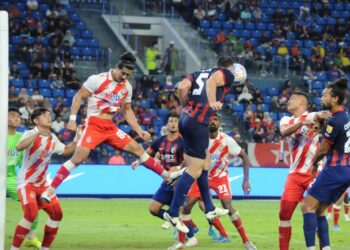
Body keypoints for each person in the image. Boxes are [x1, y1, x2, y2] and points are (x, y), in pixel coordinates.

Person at [41, 52, 183, 202]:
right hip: (93, 125)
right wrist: (72, 119)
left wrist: (139, 130)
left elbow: (127, 110)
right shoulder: (97, 80)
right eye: (123, 73)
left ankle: (168, 177)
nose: (124, 77)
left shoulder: (126, 87)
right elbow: (78, 97)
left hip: (110, 127)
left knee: (138, 150)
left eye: (128, 75)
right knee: (78, 158)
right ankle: (50, 191)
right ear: (116, 67)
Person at [164, 56, 244, 233]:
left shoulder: (199, 72)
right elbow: (212, 83)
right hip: (199, 123)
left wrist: (186, 106)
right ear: (229, 67)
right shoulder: (226, 74)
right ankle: (172, 212)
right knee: (194, 170)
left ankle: (209, 207)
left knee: (205, 163)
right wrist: (212, 100)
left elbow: (182, 87)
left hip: (186, 119)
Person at [180, 114, 256, 249]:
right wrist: (180, 172)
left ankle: (246, 241)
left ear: (220, 123)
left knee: (227, 205)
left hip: (220, 177)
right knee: (187, 206)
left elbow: (244, 157)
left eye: (215, 119)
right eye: (210, 119)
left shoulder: (227, 140)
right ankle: (186, 240)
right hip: (202, 177)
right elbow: (189, 158)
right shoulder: (199, 139)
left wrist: (246, 180)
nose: (212, 122)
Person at [10, 108, 81, 250]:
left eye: (49, 115)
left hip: (43, 186)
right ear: (36, 120)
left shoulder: (52, 137)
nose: (49, 117)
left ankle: (45, 248)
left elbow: (66, 150)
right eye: (44, 115)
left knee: (57, 214)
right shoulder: (30, 133)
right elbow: (19, 147)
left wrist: (77, 139)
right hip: (26, 183)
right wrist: (37, 133)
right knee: (30, 214)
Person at [132, 113, 198, 250]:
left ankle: (184, 241)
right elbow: (147, 153)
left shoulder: (183, 141)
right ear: (167, 124)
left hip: (180, 181)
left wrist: (179, 167)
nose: (173, 123)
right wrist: (138, 161)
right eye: (170, 121)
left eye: (175, 121)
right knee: (153, 209)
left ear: (178, 125)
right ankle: (189, 232)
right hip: (166, 181)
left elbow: (189, 160)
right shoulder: (161, 141)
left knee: (178, 211)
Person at [278, 91, 330, 250]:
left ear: (302, 102)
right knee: (284, 215)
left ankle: (324, 247)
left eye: (292, 99)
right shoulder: (286, 119)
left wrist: (321, 119)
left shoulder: (313, 115)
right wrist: (301, 124)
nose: (288, 101)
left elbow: (324, 115)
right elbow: (284, 132)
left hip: (313, 174)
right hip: (294, 175)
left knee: (318, 211)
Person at [302, 78, 350, 250]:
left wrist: (313, 163)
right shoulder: (346, 116)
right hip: (346, 170)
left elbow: (323, 149)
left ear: (335, 99)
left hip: (335, 169)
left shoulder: (334, 120)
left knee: (307, 206)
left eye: (325, 95)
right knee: (320, 210)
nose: (322, 98)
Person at [7, 108, 41, 249]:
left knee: (34, 204)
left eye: (19, 116)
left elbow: (23, 163)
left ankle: (30, 238)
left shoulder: (21, 138)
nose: (17, 118)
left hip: (11, 179)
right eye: (13, 116)